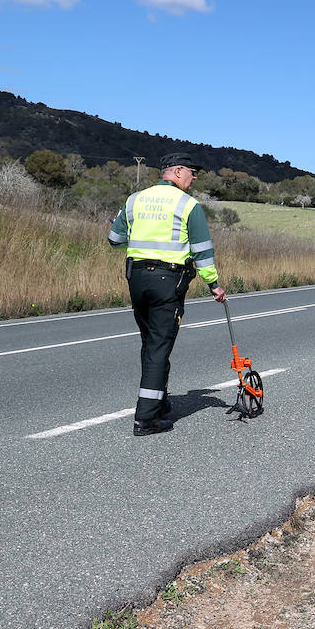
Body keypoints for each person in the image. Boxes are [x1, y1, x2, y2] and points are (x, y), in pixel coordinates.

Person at [109, 152, 227, 436]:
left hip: (136, 278)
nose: (194, 178)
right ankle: (146, 419)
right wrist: (214, 284)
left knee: (151, 342)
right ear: (176, 171)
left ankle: (158, 403)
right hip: (168, 280)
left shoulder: (134, 199)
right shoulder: (188, 205)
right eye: (191, 172)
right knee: (160, 345)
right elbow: (202, 252)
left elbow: (115, 239)